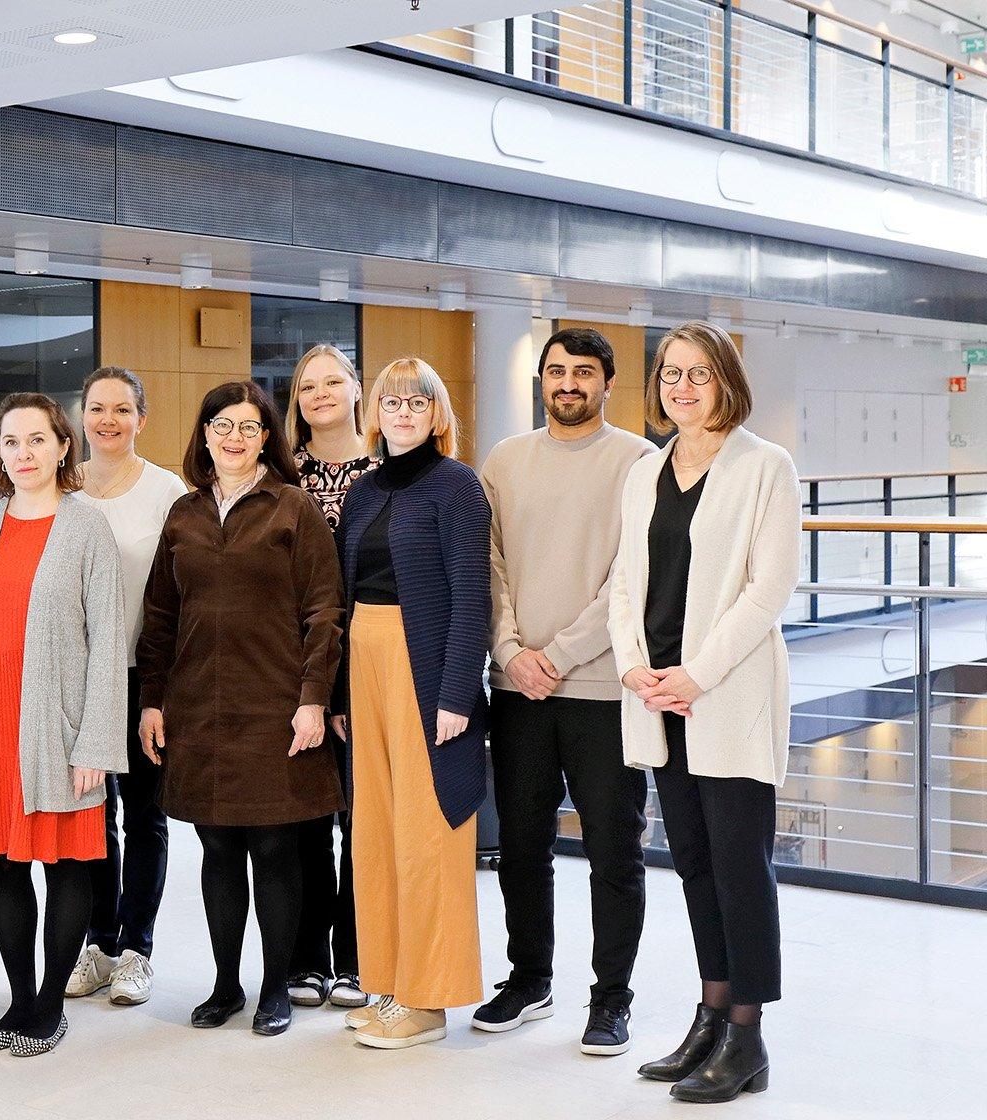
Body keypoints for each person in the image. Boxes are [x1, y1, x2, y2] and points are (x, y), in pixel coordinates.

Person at [609, 321, 796, 1104]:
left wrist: (697, 674)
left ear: (726, 380)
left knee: (738, 866)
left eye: (699, 374)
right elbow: (625, 582)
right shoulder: (645, 472)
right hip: (661, 698)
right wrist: (633, 666)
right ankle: (711, 1012)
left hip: (728, 696)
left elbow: (770, 588)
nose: (681, 388)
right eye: (669, 374)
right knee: (691, 861)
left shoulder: (765, 467)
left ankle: (747, 1035)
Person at [138, 380, 344, 1038]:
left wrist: (314, 699)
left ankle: (275, 987)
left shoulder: (292, 509)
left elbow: (324, 614)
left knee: (276, 848)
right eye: (222, 426)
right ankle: (225, 984)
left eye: (249, 428)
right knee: (218, 849)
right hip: (198, 708)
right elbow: (160, 619)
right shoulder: (184, 514)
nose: (234, 438)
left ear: (266, 439)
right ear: (203, 435)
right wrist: (151, 701)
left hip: (277, 707)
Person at [0, 393, 127, 1057]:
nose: (24, 454)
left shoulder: (86, 527)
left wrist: (96, 740)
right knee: (2, 866)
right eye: (11, 442)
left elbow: (108, 642)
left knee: (66, 864)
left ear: (63, 446)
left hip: (60, 729)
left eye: (37, 440)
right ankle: (16, 1000)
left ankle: (48, 1004)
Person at [474, 329, 655, 1055]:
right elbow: (485, 563)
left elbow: (632, 577)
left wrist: (562, 653)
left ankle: (611, 998)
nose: (568, 383)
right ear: (541, 381)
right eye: (557, 371)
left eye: (584, 372)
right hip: (518, 690)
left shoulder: (640, 460)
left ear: (609, 382)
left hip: (604, 692)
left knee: (615, 852)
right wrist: (513, 653)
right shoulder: (505, 459)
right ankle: (529, 980)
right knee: (521, 847)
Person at [333, 358, 489, 1050]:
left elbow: (471, 596)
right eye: (392, 401)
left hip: (425, 669)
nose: (402, 413)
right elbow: (344, 597)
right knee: (375, 832)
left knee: (428, 835)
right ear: (376, 411)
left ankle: (429, 1004)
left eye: (416, 402)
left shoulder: (457, 487)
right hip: (363, 659)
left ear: (437, 413)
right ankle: (390, 985)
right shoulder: (365, 491)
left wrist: (457, 691)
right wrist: (339, 690)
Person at [62, 367, 186, 1008]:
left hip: (144, 676)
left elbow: (177, 597)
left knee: (143, 815)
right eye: (96, 407)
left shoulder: (168, 492)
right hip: (74, 679)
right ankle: (98, 941)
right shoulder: (60, 489)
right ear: (81, 417)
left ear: (142, 419)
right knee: (89, 814)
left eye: (121, 409)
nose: (107, 420)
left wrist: (161, 692)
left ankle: (137, 947)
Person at [285, 344, 378, 1012]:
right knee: (305, 820)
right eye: (307, 385)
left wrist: (343, 689)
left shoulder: (384, 471)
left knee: (361, 821)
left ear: (356, 389)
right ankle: (307, 960)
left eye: (332, 382)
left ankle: (356, 957)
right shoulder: (282, 476)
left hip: (370, 668)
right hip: (290, 671)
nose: (319, 393)